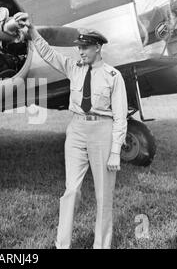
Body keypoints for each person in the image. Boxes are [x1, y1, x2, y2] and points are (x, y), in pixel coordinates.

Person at [14, 13, 128, 249]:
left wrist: (116, 150)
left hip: (102, 131)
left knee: (104, 195)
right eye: (79, 48)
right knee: (71, 191)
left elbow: (120, 117)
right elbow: (48, 53)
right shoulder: (74, 68)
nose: (81, 52)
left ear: (98, 47)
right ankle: (62, 245)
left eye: (85, 47)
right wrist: (32, 31)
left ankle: (101, 245)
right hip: (76, 130)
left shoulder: (113, 77)